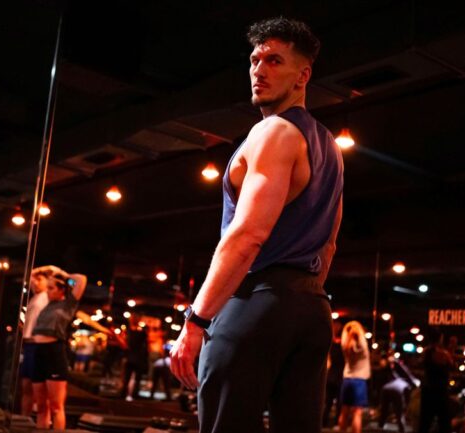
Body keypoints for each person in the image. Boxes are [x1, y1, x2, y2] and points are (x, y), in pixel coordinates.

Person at [170, 17, 343, 433]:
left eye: (274, 60)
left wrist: (196, 320)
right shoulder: (331, 147)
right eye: (255, 59)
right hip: (312, 310)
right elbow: (328, 247)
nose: (259, 71)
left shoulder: (272, 133)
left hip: (255, 304)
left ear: (303, 75)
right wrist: (299, 301)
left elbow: (247, 235)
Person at [30, 267, 87, 430]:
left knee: (56, 407)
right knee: (41, 407)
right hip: (37, 352)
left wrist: (61, 274)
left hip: (54, 352)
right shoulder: (47, 304)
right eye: (47, 288)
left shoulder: (68, 303)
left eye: (51, 288)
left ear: (62, 289)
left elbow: (81, 278)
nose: (47, 291)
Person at [19, 266, 51, 418]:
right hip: (28, 344)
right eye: (35, 280)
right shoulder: (34, 297)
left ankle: (40, 422)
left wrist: (46, 269)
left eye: (40, 279)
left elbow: (66, 278)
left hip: (39, 345)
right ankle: (24, 419)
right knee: (25, 386)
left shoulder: (48, 296)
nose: (36, 282)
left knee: (39, 388)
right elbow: (30, 277)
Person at [418, 328, 454, 433]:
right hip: (440, 390)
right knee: (444, 422)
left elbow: (421, 365)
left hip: (428, 389)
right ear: (440, 339)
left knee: (425, 422)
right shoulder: (443, 354)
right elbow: (451, 365)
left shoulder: (426, 352)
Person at [338, 321, 370, 433]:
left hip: (347, 379)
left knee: (344, 411)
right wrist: (358, 331)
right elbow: (362, 341)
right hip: (359, 380)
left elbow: (345, 339)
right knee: (357, 412)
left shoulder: (345, 345)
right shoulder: (362, 347)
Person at [378, 356, 418, 433]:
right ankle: (401, 427)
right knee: (399, 410)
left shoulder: (397, 371)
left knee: (384, 409)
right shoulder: (403, 373)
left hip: (387, 388)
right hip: (397, 388)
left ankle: (381, 425)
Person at [121, 314, 149, 402]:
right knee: (136, 379)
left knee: (128, 378)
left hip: (131, 357)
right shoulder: (142, 333)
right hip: (137, 357)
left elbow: (126, 345)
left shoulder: (129, 332)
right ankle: (133, 395)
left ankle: (124, 394)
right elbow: (145, 345)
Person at [325, 320, 345, 427]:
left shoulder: (333, 346)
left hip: (332, 376)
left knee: (329, 401)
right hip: (338, 376)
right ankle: (335, 422)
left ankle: (324, 422)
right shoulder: (342, 347)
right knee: (337, 402)